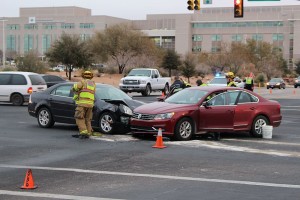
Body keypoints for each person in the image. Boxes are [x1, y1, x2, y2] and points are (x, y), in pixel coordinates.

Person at [72, 71, 96, 139]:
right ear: (91, 76)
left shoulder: (82, 82)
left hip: (82, 104)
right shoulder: (93, 84)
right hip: (90, 105)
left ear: (83, 76)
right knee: (88, 119)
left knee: (79, 118)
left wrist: (74, 89)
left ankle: (83, 132)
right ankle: (89, 132)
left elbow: (75, 88)